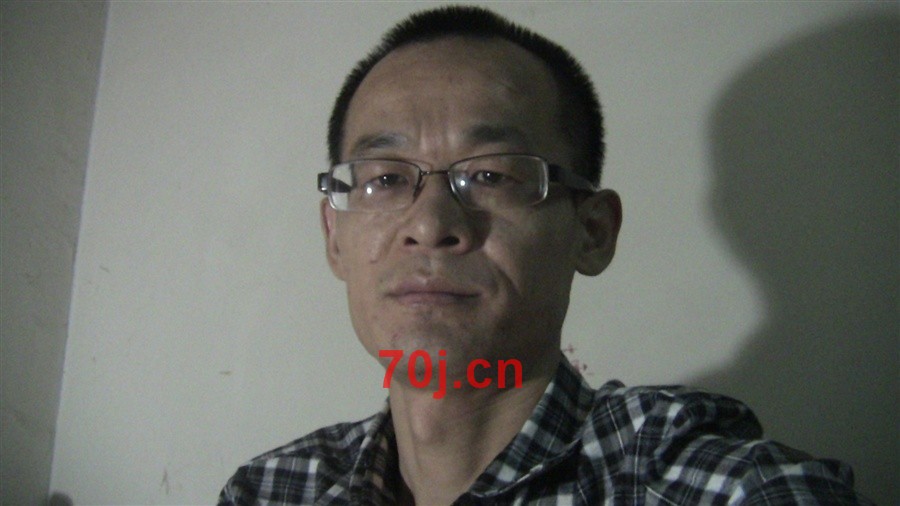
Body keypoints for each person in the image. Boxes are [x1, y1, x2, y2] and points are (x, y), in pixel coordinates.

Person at [219, 6, 868, 505]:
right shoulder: (273, 490)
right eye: (385, 178)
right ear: (334, 236)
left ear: (592, 231)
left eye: (491, 174)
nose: (430, 224)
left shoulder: (695, 484)